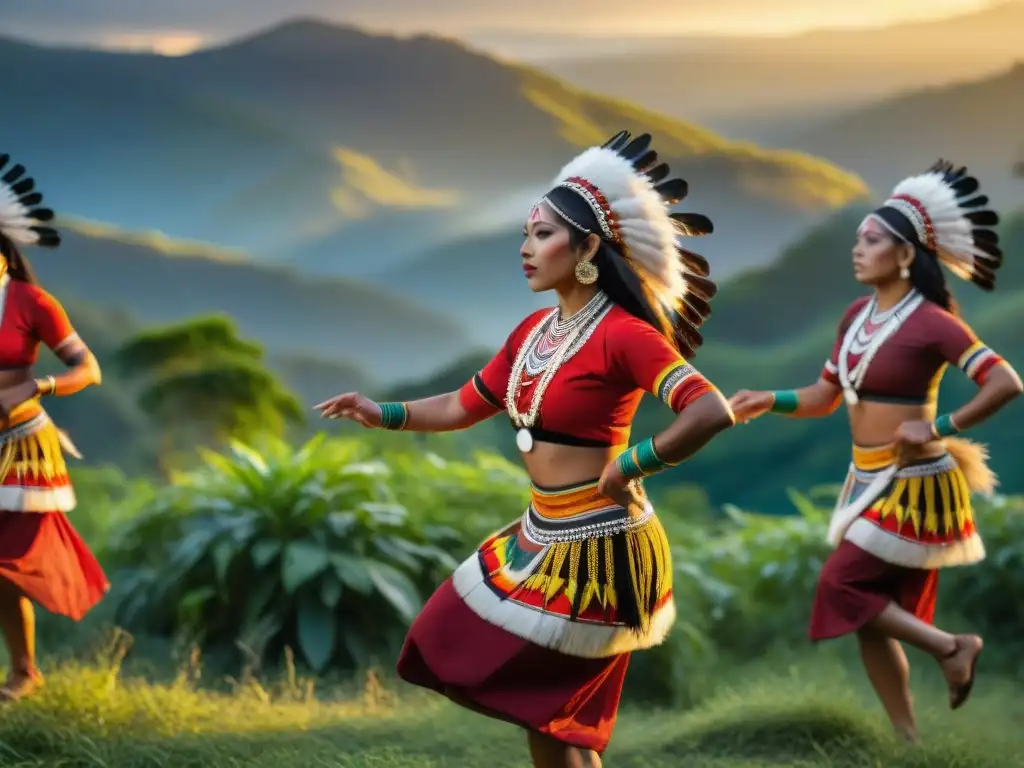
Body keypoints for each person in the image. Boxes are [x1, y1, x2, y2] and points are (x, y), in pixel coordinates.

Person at [316, 131, 735, 766]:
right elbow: (462, 405)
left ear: (589, 246)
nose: (526, 249)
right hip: (541, 533)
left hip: (601, 547)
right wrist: (383, 413)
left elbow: (710, 409)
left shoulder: (626, 335)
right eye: (525, 234)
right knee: (514, 693)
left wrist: (632, 462)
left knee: (548, 716)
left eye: (542, 235)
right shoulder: (534, 332)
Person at [728, 160, 1022, 743]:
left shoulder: (935, 323)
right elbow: (823, 398)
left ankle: (953, 647)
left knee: (844, 587)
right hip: (864, 478)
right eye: (858, 239)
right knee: (875, 621)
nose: (857, 250)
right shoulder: (854, 318)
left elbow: (1005, 382)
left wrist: (939, 425)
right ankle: (908, 741)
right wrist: (769, 398)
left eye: (872, 240)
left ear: (906, 253)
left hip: (915, 484)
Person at [0, 153, 108, 700]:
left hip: (21, 449)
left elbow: (88, 368)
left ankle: (23, 672)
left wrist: (39, 386)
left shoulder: (32, 302)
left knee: (5, 565)